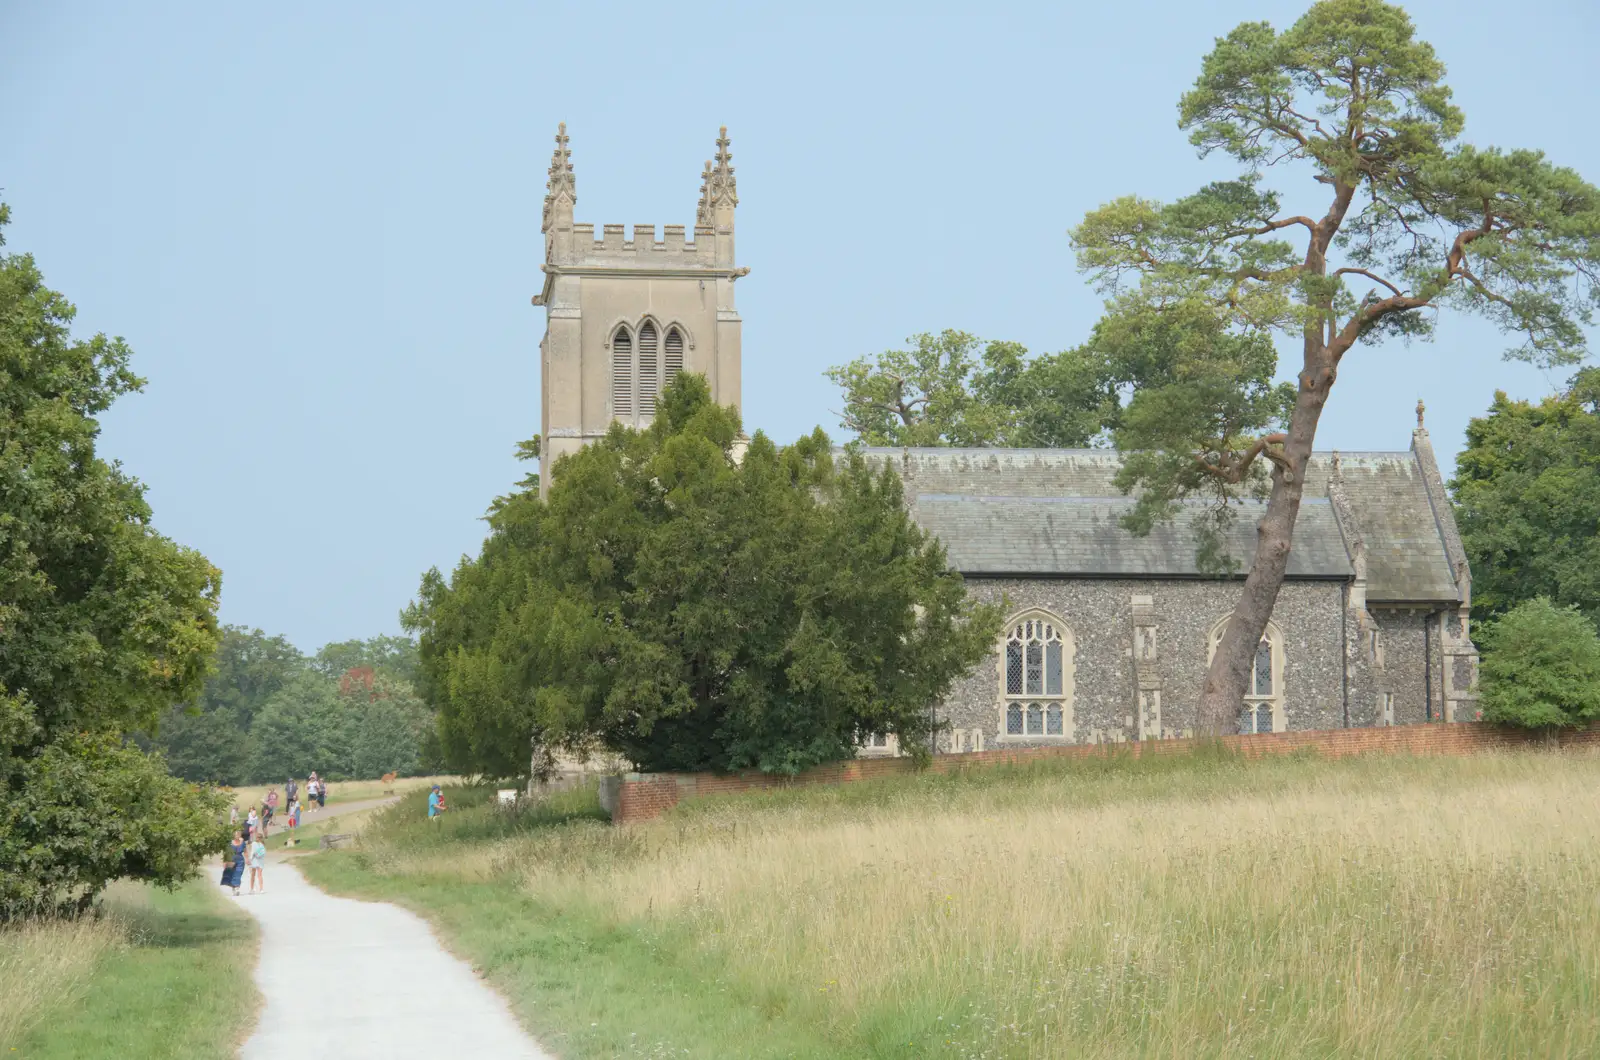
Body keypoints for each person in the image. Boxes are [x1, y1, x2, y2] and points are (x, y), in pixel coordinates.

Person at [221, 831, 245, 896]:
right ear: (234, 836)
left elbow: (245, 851)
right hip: (231, 859)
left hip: (240, 860)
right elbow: (226, 853)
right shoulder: (230, 843)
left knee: (238, 874)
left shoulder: (242, 842)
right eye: (236, 835)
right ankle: (233, 889)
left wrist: (248, 859)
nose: (238, 836)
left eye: (239, 835)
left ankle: (237, 888)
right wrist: (224, 862)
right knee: (232, 874)